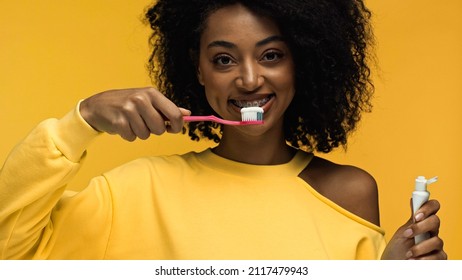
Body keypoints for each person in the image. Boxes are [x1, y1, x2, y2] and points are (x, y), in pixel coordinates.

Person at [0, 0, 446, 260]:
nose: (250, 80)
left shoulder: (349, 191)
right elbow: (10, 250)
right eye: (224, 59)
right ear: (197, 70)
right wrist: (82, 121)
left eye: (271, 55)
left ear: (301, 63)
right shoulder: (135, 190)